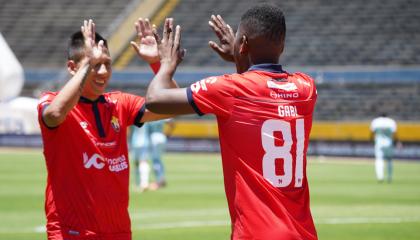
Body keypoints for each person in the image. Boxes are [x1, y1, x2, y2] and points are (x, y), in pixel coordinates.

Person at [139, 4, 318, 240]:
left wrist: (165, 63)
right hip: (304, 233)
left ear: (243, 43)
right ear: (282, 45)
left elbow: (155, 100)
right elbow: (258, 87)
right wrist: (240, 54)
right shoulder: (306, 88)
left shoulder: (229, 89)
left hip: (256, 234)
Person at [37, 20, 170, 240]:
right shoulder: (51, 101)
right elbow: (54, 114)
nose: (103, 71)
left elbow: (168, 107)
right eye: (94, 64)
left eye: (107, 63)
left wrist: (158, 64)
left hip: (117, 230)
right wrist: (88, 61)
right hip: (70, 231)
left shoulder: (119, 103)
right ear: (72, 68)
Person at [130, 119, 172, 192]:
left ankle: (142, 182)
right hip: (156, 138)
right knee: (155, 160)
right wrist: (168, 133)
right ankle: (157, 179)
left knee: (141, 161)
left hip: (138, 140)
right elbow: (170, 122)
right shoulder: (156, 114)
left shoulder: (138, 116)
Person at [370, 113, 397, 183]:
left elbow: (372, 133)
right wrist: (397, 142)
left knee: (379, 160)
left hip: (379, 143)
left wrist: (371, 141)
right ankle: (389, 177)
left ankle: (380, 177)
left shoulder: (375, 121)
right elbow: (395, 134)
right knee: (389, 160)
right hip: (388, 143)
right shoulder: (391, 121)